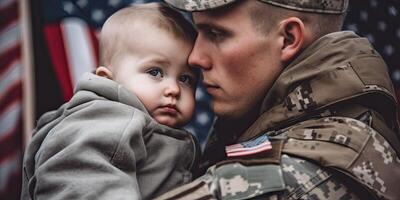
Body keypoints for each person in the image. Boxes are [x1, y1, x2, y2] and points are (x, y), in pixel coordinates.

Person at [157, 0, 400, 199]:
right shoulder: (343, 121)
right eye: (198, 31)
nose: (195, 58)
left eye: (216, 34)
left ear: (288, 38)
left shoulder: (285, 182)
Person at [21, 3, 200, 200]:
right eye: (155, 72)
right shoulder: (102, 119)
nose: (173, 89)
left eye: (185, 79)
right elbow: (81, 178)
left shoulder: (153, 130)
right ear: (108, 78)